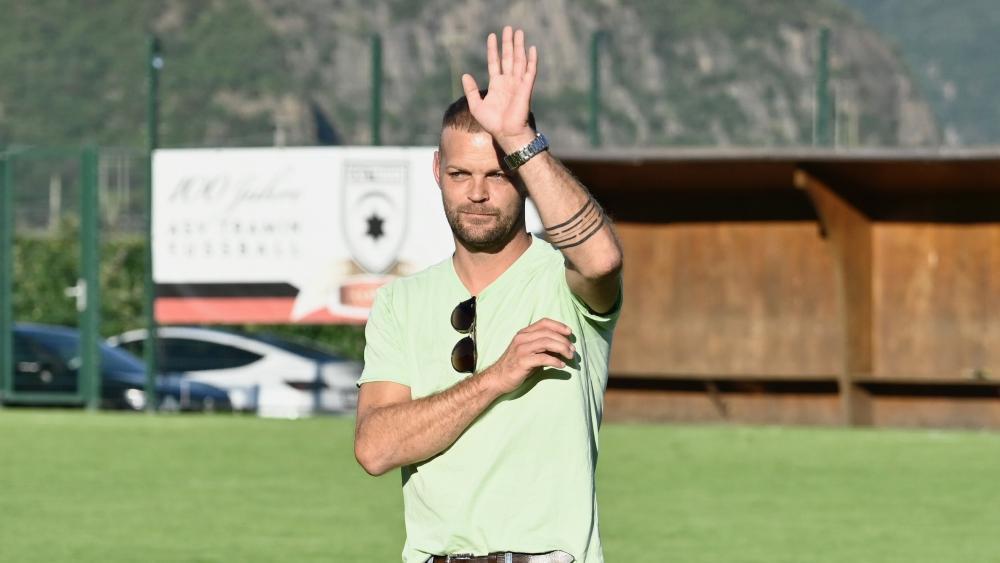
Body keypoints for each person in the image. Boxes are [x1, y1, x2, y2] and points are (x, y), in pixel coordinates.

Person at [354, 25, 624, 563]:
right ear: (437, 171)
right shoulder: (399, 303)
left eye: (497, 174)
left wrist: (521, 139)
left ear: (523, 178)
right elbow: (375, 448)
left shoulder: (562, 279)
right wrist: (497, 377)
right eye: (459, 173)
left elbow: (602, 260)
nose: (477, 193)